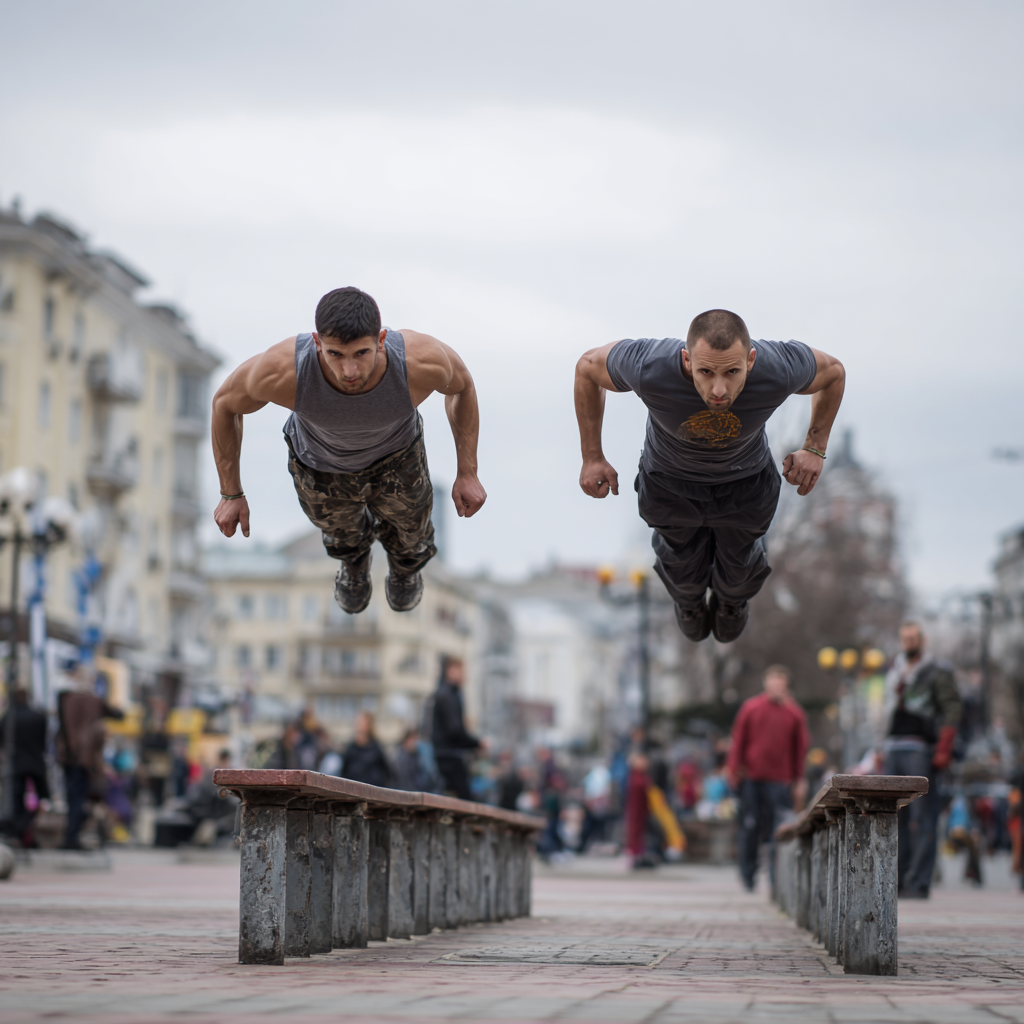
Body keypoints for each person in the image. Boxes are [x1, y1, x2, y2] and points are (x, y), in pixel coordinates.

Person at [211, 286, 486, 614]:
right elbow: (225, 405)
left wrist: (468, 471)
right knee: (342, 534)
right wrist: (231, 493)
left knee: (412, 528)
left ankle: (405, 568)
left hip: (396, 455)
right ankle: (354, 567)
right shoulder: (283, 371)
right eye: (335, 355)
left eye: (361, 353)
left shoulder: (420, 361)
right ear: (317, 343)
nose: (349, 372)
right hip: (320, 462)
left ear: (381, 339)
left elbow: (463, 387)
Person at [574, 309, 845, 642]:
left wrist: (815, 447)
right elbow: (588, 367)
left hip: (745, 483)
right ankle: (688, 601)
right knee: (683, 568)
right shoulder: (650, 366)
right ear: (686, 360)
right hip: (670, 485)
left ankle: (732, 600)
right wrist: (592, 457)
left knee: (739, 567)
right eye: (705, 372)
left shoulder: (779, 367)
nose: (718, 389)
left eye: (732, 372)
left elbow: (833, 372)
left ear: (751, 360)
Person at [883, 621, 962, 899]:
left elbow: (953, 708)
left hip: (920, 749)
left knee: (923, 818)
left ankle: (919, 882)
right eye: (905, 638)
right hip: (893, 747)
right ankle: (900, 879)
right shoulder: (894, 672)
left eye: (913, 638)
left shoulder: (937, 671)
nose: (909, 642)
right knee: (895, 818)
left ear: (923, 640)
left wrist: (944, 747)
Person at [726, 665, 809, 891]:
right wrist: (733, 770)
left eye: (781, 683)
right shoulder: (751, 708)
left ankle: (776, 878)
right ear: (766, 684)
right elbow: (738, 740)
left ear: (786, 686)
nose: (776, 687)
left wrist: (798, 779)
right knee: (750, 827)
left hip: (780, 781)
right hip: (752, 778)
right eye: (773, 682)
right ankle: (747, 875)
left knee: (779, 829)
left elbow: (799, 749)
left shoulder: (794, 713)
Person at [55, 688, 124, 850]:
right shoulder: (92, 705)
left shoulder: (68, 702)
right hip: (81, 762)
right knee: (79, 799)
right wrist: (97, 770)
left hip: (69, 758)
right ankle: (72, 837)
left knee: (73, 798)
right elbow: (116, 716)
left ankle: (70, 836)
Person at [0, 689, 50, 847]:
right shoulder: (39, 717)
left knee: (15, 800)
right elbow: (43, 742)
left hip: (16, 765)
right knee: (44, 798)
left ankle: (18, 830)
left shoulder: (8, 718)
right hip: (36, 763)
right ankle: (23, 829)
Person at [431, 657, 482, 800]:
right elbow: (455, 730)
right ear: (451, 671)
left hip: (446, 755)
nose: (465, 675)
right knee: (464, 800)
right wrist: (477, 743)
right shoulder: (448, 695)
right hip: (449, 757)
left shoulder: (447, 693)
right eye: (462, 671)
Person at [340, 712, 392, 789]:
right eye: (358, 723)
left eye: (363, 723)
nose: (360, 726)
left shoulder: (376, 749)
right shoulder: (350, 749)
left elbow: (387, 772)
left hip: (372, 792)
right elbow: (344, 772)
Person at [393, 727, 433, 792]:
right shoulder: (400, 759)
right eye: (413, 739)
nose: (416, 743)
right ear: (406, 740)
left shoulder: (416, 755)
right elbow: (403, 782)